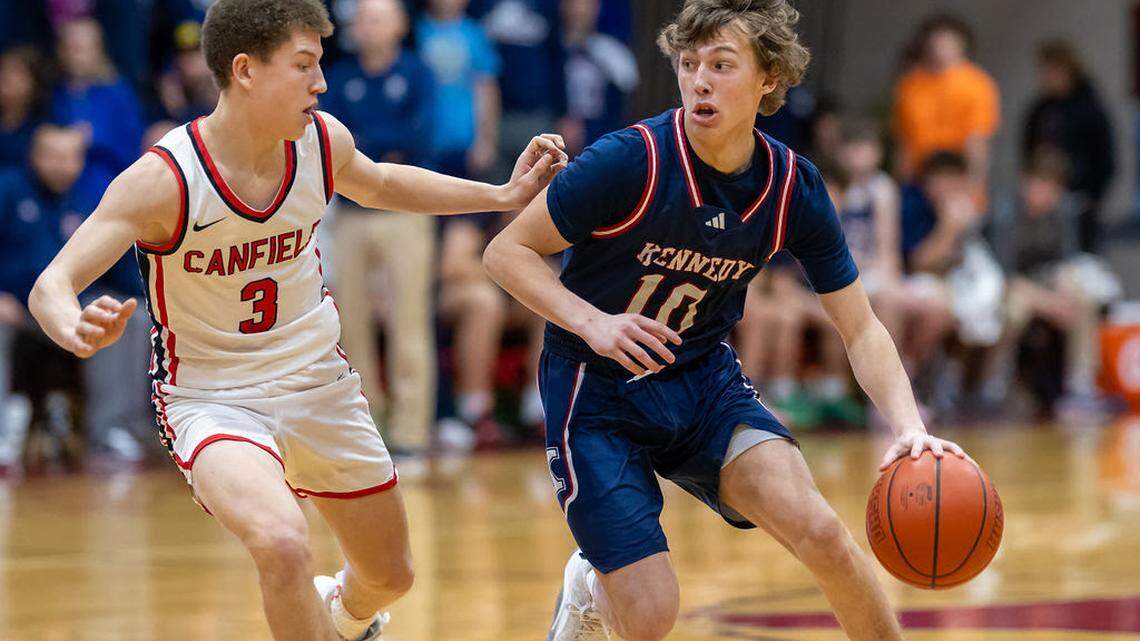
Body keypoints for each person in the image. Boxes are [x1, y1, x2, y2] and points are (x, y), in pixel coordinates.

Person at [28, 2, 566, 641]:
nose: (322, 83)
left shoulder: (320, 140)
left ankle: (344, 618)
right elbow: (51, 285)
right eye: (305, 65)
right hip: (212, 398)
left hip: (318, 383)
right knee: (282, 542)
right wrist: (73, 323)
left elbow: (383, 182)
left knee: (391, 577)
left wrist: (499, 196)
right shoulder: (165, 179)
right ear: (246, 70)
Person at [482, 2, 968, 640]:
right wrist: (594, 321)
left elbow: (861, 328)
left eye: (721, 64)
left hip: (703, 383)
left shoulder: (793, 185)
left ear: (768, 78)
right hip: (595, 391)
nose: (700, 81)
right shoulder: (631, 160)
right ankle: (590, 586)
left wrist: (909, 427)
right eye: (688, 65)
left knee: (822, 532)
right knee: (652, 616)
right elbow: (506, 251)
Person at [321, 0, 439, 457]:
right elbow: (332, 141)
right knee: (350, 325)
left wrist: (367, 156)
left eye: (376, 17)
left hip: (406, 213)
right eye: (361, 18)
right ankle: (368, 428)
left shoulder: (417, 73)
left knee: (408, 320)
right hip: (349, 215)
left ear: (399, 25)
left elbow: (420, 137)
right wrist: (372, 159)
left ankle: (411, 430)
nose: (365, 26)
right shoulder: (342, 78)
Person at [1022, 38, 1115, 252]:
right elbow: (1028, 151)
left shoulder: (1090, 109)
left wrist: (1091, 196)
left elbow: (1105, 158)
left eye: (1052, 70)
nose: (1047, 76)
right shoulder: (1040, 110)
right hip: (1042, 200)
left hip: (1080, 199)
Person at [892, 14, 999, 192]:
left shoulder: (978, 85)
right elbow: (904, 141)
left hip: (956, 179)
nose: (941, 47)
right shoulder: (911, 85)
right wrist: (900, 184)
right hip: (916, 180)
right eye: (937, 41)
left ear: (962, 45)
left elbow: (978, 141)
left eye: (948, 41)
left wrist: (974, 186)